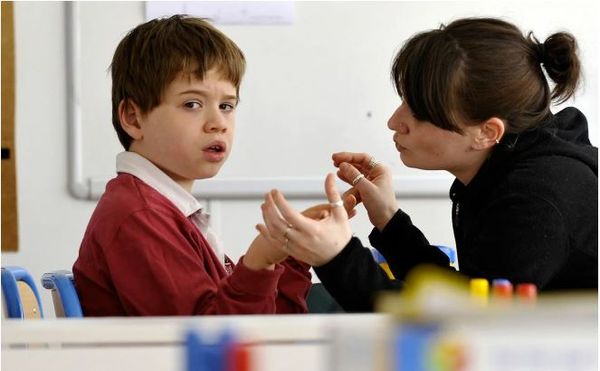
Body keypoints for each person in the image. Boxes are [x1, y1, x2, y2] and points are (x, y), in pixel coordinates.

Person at [258, 17, 598, 312]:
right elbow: (464, 295)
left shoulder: (537, 200)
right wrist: (389, 220)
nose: (394, 121)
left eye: (419, 112)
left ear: (486, 132)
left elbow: (457, 327)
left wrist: (337, 257)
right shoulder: (514, 166)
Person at [73, 15, 317, 316]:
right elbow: (211, 344)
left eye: (226, 106)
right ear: (134, 118)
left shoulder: (161, 207)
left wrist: (292, 253)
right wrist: (257, 262)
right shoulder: (140, 215)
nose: (218, 124)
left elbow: (264, 329)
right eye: (192, 104)